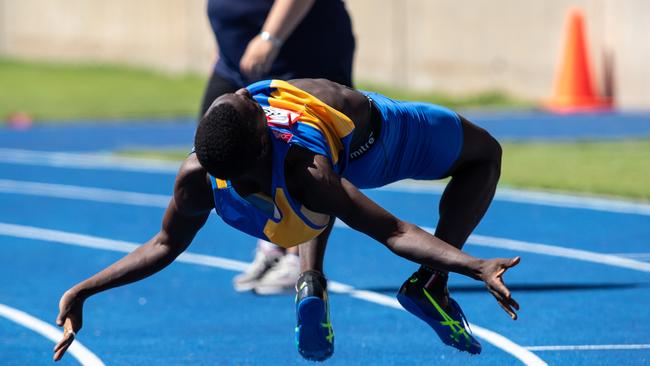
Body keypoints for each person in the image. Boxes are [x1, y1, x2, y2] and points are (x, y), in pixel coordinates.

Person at [53, 79, 521, 362]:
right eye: (252, 108)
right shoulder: (304, 165)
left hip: (266, 204)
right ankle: (430, 286)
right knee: (484, 156)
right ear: (263, 138)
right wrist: (474, 266)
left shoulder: (198, 173)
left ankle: (310, 281)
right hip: (376, 140)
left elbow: (162, 245)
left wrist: (82, 290)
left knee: (320, 186)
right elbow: (394, 231)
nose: (244, 93)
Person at [201, 0, 356, 294]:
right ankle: (272, 243)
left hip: (297, 53)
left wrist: (270, 36)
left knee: (299, 156)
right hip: (236, 62)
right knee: (220, 145)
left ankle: (300, 259)